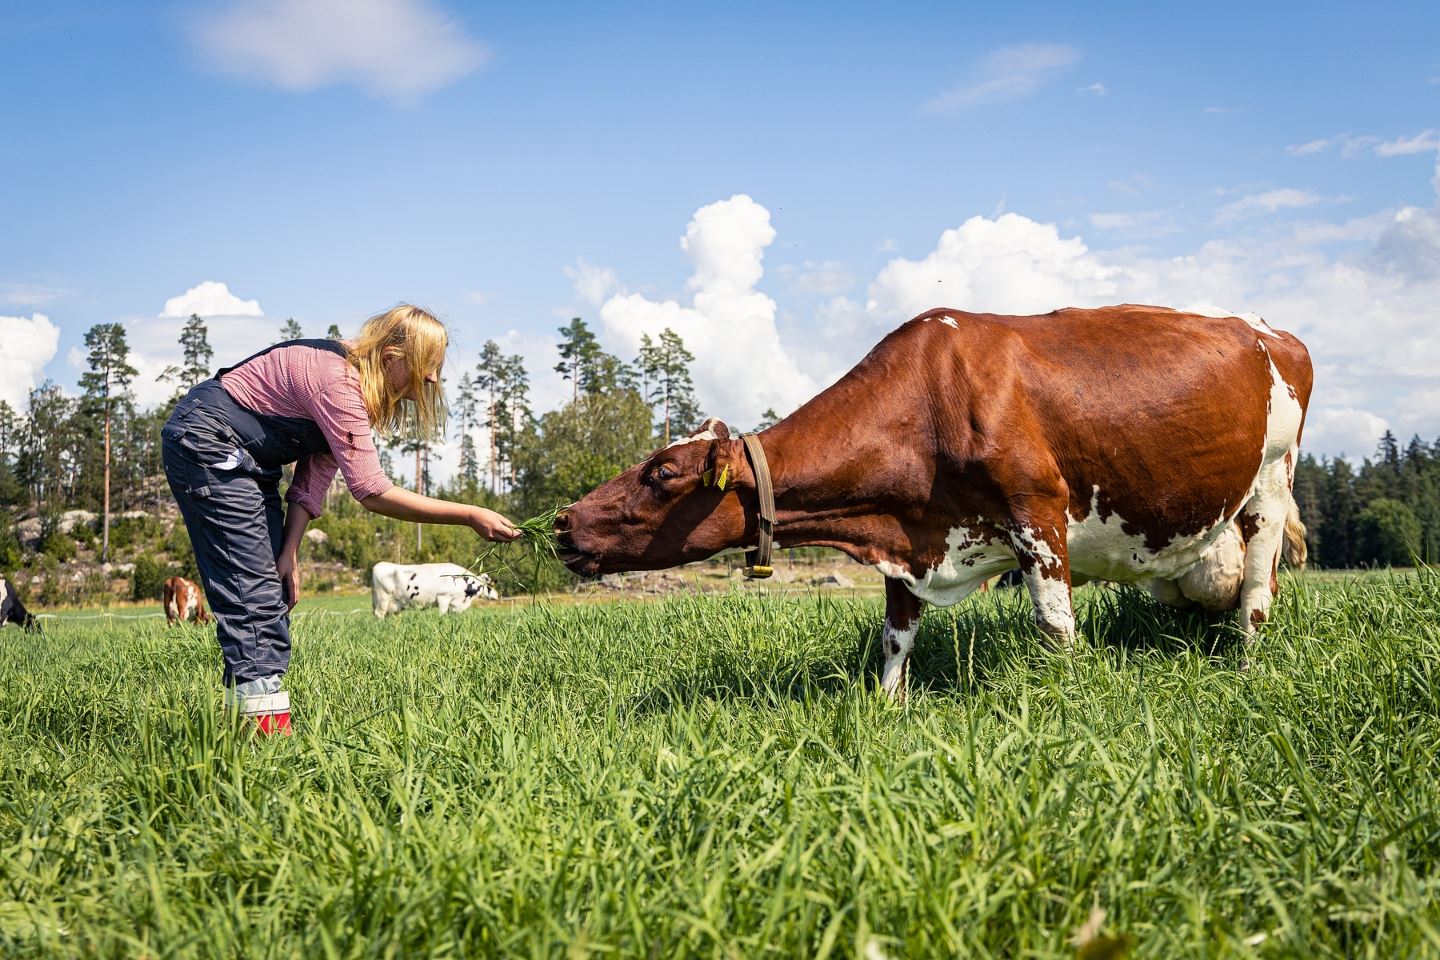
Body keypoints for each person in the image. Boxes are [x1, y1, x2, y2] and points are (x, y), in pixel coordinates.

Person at [161, 304, 519, 734]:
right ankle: (265, 742)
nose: (432, 379)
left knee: (267, 592)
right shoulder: (339, 382)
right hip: (208, 441)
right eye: (428, 365)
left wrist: (289, 551)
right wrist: (470, 515)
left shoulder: (357, 387)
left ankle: (241, 729)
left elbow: (312, 478)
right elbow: (370, 490)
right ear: (391, 357)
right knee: (253, 597)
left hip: (251, 460)